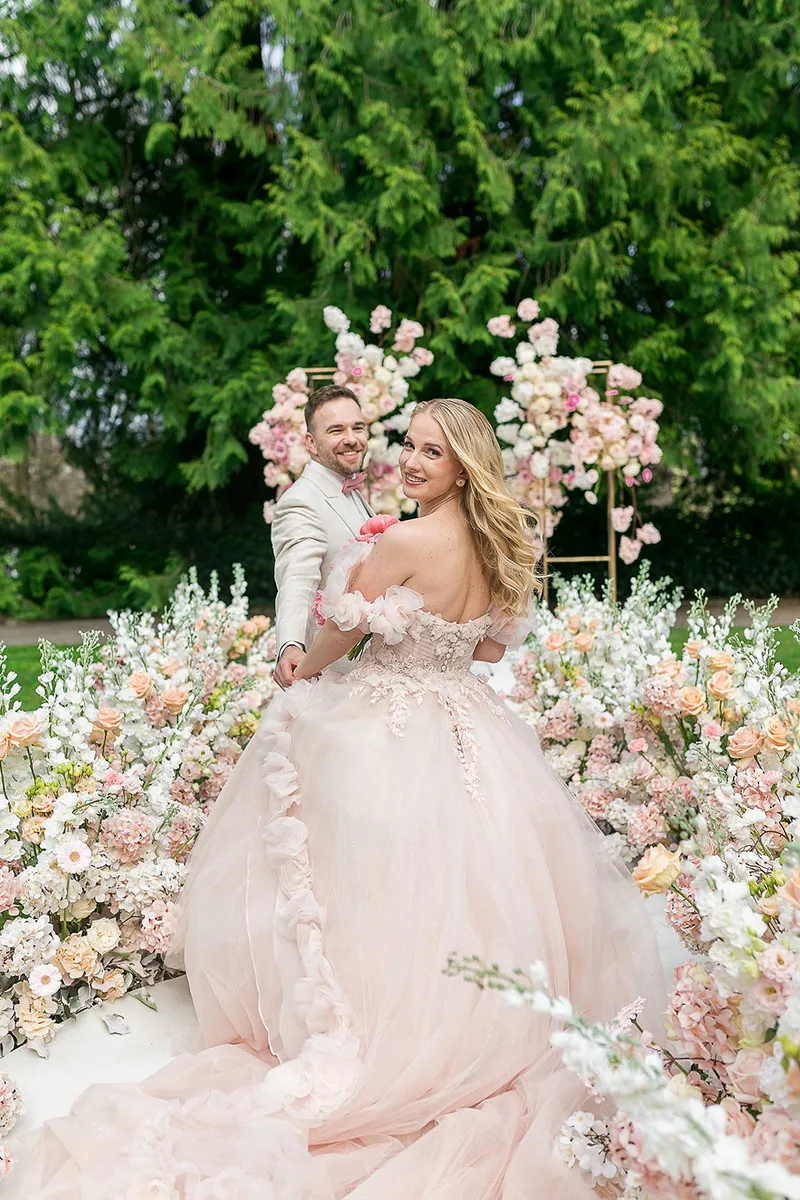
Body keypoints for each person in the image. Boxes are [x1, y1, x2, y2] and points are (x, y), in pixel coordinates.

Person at [14, 399, 663, 1198]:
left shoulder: (403, 540)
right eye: (410, 447)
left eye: (432, 452)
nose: (413, 461)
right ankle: (470, 1022)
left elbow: (342, 633)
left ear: (463, 464)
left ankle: (365, 1020)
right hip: (472, 724)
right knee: (476, 880)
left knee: (360, 873)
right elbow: (491, 645)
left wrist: (300, 668)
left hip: (388, 719)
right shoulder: (501, 546)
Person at [272, 384, 374, 689]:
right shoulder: (301, 501)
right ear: (311, 443)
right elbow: (297, 579)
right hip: (332, 674)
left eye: (358, 427)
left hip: (369, 673)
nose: (352, 439)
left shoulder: (352, 489)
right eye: (337, 430)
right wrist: (290, 644)